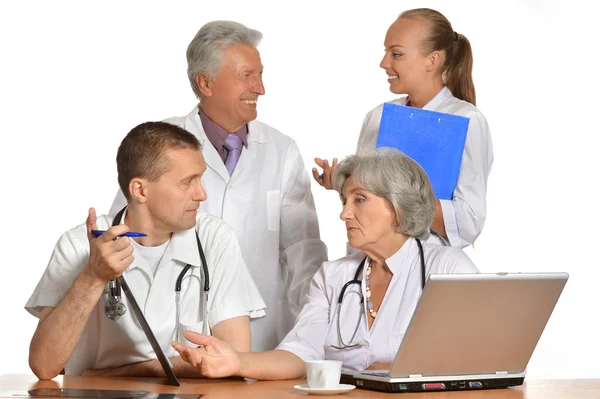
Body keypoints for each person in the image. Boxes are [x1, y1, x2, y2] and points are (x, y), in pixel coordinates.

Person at [109, 20, 328, 353]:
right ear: (205, 82)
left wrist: (313, 333)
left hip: (265, 338)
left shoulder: (282, 150)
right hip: (176, 340)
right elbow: (127, 235)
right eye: (246, 76)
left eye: (260, 74)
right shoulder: (158, 144)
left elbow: (304, 252)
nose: (260, 88)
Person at [171, 149, 479, 379]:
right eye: (344, 201)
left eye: (359, 200)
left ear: (399, 205)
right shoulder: (333, 276)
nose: (344, 214)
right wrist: (238, 362)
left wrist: (401, 368)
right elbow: (300, 353)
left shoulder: (448, 269)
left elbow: (477, 355)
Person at [26, 122, 266, 379]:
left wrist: (131, 372)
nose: (202, 194)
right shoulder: (78, 245)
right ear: (140, 190)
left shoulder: (214, 239)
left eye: (200, 178)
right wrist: (93, 277)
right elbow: (44, 366)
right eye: (188, 183)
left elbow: (234, 360)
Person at [313, 8, 493, 249]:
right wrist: (344, 184)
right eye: (386, 52)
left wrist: (401, 200)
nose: (383, 63)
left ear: (433, 60)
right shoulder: (377, 117)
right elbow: (363, 204)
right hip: (371, 265)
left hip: (428, 265)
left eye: (396, 54)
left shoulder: (465, 120)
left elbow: (467, 222)